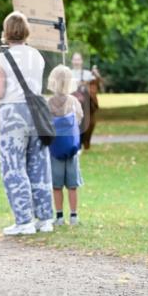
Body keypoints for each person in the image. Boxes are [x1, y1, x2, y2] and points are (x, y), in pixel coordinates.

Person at [0, 11, 54, 235]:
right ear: (26, 31)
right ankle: (45, 219)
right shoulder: (37, 55)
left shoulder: (1, 58)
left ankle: (23, 221)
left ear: (6, 32)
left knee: (13, 166)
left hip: (12, 114)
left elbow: (0, 90)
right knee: (39, 165)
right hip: (36, 112)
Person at [47, 64, 84, 226]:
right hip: (72, 148)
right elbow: (80, 118)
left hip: (55, 149)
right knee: (72, 185)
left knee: (56, 185)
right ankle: (74, 216)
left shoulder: (49, 102)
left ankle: (60, 216)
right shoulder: (74, 101)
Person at [71, 51, 103, 150]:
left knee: (87, 123)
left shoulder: (87, 74)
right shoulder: (68, 73)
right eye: (75, 59)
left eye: (78, 59)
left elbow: (97, 84)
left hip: (85, 105)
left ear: (82, 61)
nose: (76, 61)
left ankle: (84, 142)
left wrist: (96, 75)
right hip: (72, 104)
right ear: (72, 61)